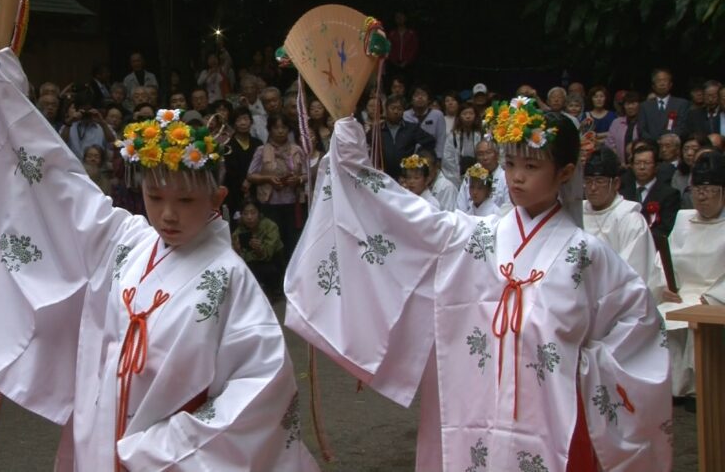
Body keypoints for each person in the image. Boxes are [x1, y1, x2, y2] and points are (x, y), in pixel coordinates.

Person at [0, 50, 317, 470]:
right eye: (155, 197)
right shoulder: (130, 240)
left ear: (218, 198)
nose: (168, 214)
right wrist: (6, 101)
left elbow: (260, 386)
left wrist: (165, 446)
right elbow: (62, 187)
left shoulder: (228, 277)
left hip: (167, 451)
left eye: (186, 200)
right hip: (103, 431)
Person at [285, 96, 671, 471]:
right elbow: (403, 215)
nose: (517, 176)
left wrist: (584, 365)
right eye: (511, 163)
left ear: (566, 172)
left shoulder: (586, 254)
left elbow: (638, 326)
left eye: (532, 166)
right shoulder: (474, 238)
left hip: (554, 405)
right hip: (474, 401)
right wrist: (351, 147)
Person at [657, 151, 725, 401]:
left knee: (697, 320)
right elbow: (663, 262)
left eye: (710, 190)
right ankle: (668, 387)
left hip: (713, 297)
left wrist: (715, 298)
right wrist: (665, 286)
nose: (702, 196)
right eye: (697, 189)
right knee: (657, 317)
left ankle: (698, 390)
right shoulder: (683, 218)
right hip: (681, 294)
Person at [581, 147, 665, 299]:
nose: (592, 188)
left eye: (599, 181)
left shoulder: (630, 219)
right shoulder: (576, 213)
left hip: (614, 299)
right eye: (588, 181)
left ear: (616, 183)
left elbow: (631, 272)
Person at [246, 114, 307, 260]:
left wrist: (297, 179)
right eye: (276, 128)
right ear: (270, 130)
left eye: (284, 128)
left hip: (293, 203)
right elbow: (250, 175)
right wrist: (268, 178)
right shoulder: (262, 150)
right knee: (272, 242)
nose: (280, 131)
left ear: (289, 130)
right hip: (270, 204)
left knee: (293, 242)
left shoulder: (296, 150)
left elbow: (306, 175)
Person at [619, 143, 681, 236]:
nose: (642, 167)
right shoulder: (622, 192)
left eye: (647, 163)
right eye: (638, 163)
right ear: (631, 166)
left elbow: (666, 227)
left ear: (656, 166)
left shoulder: (669, 194)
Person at [231, 200, 284, 295]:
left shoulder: (270, 226)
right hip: (251, 265)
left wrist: (259, 249)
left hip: (272, 262)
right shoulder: (238, 232)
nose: (249, 217)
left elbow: (269, 253)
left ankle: (273, 290)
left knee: (268, 270)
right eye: (245, 214)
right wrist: (237, 252)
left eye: (253, 213)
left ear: (259, 213)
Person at [380, 94, 435, 180]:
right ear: (386, 109)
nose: (396, 111)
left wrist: (417, 157)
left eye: (399, 109)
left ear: (403, 111)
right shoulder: (377, 130)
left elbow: (430, 142)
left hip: (407, 176)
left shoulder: (412, 128)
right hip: (383, 175)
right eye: (393, 108)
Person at [223, 107, 263, 220]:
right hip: (235, 192)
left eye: (246, 119)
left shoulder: (258, 143)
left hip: (256, 189)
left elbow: (261, 166)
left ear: (251, 121)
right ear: (233, 124)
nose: (243, 123)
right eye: (239, 120)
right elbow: (229, 170)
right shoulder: (228, 146)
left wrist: (251, 180)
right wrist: (243, 182)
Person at [455, 137, 509, 213]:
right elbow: (460, 208)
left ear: (497, 155)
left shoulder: (505, 178)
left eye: (489, 153)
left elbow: (508, 209)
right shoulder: (470, 176)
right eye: (480, 154)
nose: (485, 157)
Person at [638, 68, 690, 140]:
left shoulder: (682, 104)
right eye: (659, 81)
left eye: (665, 80)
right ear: (653, 86)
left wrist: (667, 140)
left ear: (670, 84)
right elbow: (641, 130)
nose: (662, 84)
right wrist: (655, 141)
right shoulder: (645, 106)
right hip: (651, 145)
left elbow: (682, 127)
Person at [442, 103, 482, 187]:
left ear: (475, 116)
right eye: (464, 114)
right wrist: (457, 178)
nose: (468, 116)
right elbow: (448, 158)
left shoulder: (481, 134)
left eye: (471, 113)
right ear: (459, 116)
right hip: (458, 173)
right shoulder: (453, 136)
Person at [403, 85, 447, 160]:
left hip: (431, 155)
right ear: (411, 100)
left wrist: (438, 158)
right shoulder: (405, 115)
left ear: (429, 100)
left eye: (423, 95)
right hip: (409, 156)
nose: (420, 97)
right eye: (416, 95)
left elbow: (441, 138)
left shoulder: (437, 114)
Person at [603, 90, 641, 164]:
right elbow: (610, 144)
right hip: (620, 165)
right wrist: (620, 162)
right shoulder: (616, 122)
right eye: (627, 104)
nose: (630, 107)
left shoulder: (644, 122)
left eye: (633, 103)